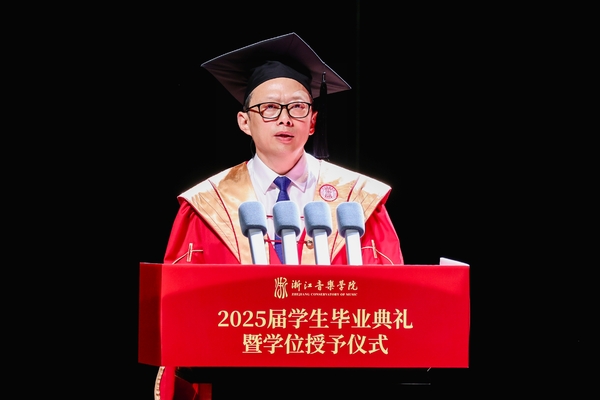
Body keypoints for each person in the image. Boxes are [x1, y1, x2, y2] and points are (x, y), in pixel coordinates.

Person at [154, 32, 404, 400]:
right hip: (236, 381)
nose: (284, 119)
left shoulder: (359, 201)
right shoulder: (206, 206)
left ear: (312, 121)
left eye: (298, 107)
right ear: (244, 121)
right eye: (269, 108)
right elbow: (181, 315)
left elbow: (391, 305)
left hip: (338, 378)